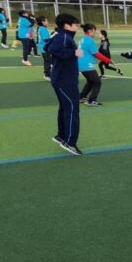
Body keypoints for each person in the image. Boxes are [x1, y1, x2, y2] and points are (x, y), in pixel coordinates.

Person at [46, 13, 83, 155]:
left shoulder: (61, 35)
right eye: (75, 24)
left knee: (65, 107)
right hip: (64, 80)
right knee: (72, 108)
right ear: (67, 25)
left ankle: (61, 136)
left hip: (62, 78)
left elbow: (47, 46)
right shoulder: (64, 37)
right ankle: (69, 142)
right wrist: (74, 53)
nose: (77, 27)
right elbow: (52, 49)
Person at [78, 23, 112, 107]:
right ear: (90, 31)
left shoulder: (82, 39)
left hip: (81, 64)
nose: (95, 33)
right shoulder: (89, 40)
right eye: (94, 31)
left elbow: (79, 52)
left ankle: (81, 97)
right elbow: (96, 54)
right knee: (97, 81)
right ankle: (91, 100)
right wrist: (108, 60)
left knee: (91, 81)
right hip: (86, 65)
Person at [36, 16, 53, 81]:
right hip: (44, 47)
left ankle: (48, 74)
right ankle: (47, 75)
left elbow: (47, 37)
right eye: (46, 20)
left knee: (48, 61)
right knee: (48, 61)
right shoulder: (43, 29)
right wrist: (53, 37)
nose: (47, 22)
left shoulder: (42, 28)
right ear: (43, 22)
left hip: (44, 47)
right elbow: (46, 39)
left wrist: (52, 34)